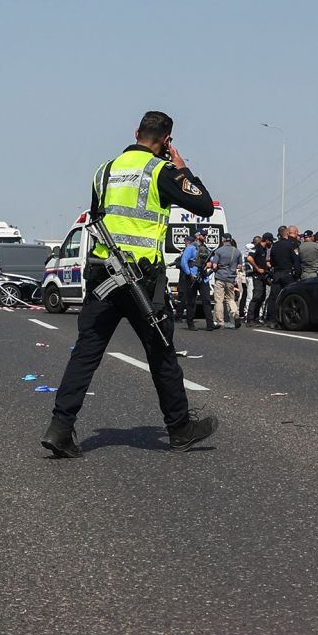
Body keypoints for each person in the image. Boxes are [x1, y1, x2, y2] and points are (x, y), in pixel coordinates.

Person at [40, 110, 218, 458]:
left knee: (86, 353)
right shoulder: (161, 172)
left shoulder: (103, 172)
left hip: (102, 276)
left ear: (136, 132)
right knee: (162, 354)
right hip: (142, 282)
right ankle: (180, 428)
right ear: (166, 141)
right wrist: (180, 168)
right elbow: (203, 205)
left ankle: (60, 427)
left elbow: (97, 217)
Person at [178, 231, 218, 331]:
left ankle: (210, 324)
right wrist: (189, 274)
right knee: (191, 301)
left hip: (203, 277)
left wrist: (211, 263)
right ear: (197, 236)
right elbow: (184, 262)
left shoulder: (206, 248)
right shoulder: (190, 248)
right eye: (203, 235)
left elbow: (212, 259)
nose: (205, 237)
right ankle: (190, 323)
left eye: (205, 235)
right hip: (192, 276)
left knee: (207, 300)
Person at [267, 226, 300, 328]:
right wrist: (298, 274)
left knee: (274, 298)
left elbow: (271, 261)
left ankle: (272, 320)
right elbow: (296, 261)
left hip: (277, 274)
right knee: (288, 297)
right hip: (288, 274)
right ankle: (288, 320)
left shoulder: (275, 246)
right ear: (286, 233)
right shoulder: (291, 245)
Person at [210, 234, 242, 328]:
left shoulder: (218, 251)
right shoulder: (237, 252)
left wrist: (216, 268)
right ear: (231, 240)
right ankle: (235, 313)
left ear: (222, 240)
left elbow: (214, 266)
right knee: (230, 299)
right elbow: (239, 266)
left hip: (220, 277)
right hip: (231, 278)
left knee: (219, 300)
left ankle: (221, 321)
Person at [245, 233, 272, 325]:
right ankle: (250, 318)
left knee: (262, 297)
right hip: (257, 276)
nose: (271, 243)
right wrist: (257, 268)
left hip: (263, 276)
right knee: (257, 296)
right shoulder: (257, 248)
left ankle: (256, 317)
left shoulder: (264, 249)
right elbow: (249, 258)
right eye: (270, 241)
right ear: (267, 240)